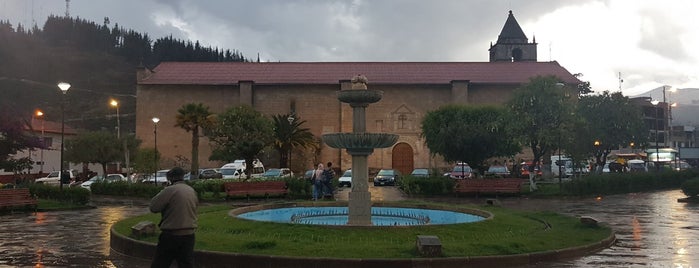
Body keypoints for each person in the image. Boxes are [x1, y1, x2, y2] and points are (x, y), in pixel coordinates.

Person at [149, 167, 199, 268]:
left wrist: (163, 191)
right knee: (186, 263)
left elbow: (153, 207)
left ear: (170, 178)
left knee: (160, 264)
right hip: (189, 235)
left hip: (171, 235)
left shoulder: (170, 190)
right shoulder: (191, 190)